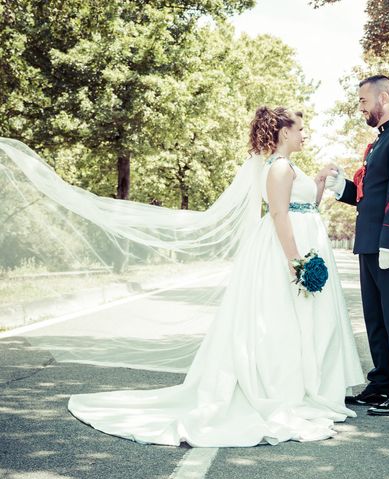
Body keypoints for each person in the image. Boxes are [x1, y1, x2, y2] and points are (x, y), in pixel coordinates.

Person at [67, 106, 364, 447]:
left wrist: (322, 181)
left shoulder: (290, 166)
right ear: (284, 133)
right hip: (287, 250)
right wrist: (296, 262)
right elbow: (280, 214)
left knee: (305, 320)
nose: (304, 134)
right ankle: (285, 388)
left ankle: (311, 385)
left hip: (306, 243)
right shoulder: (279, 167)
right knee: (283, 321)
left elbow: (305, 204)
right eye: (300, 129)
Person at [324, 75, 389, 416]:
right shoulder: (382, 142)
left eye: (363, 101)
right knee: (377, 319)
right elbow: (371, 196)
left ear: (383, 97)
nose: (361, 108)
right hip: (371, 244)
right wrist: (343, 189)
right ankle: (383, 382)